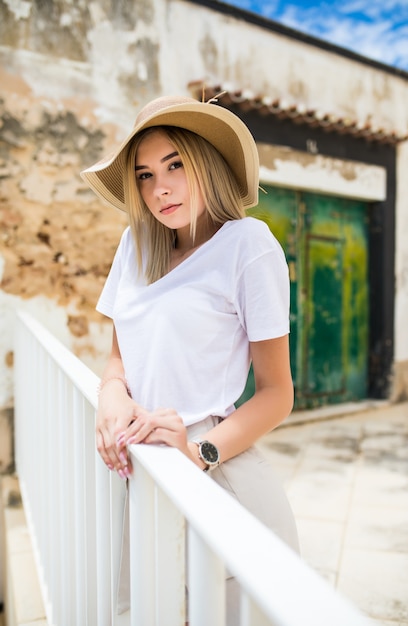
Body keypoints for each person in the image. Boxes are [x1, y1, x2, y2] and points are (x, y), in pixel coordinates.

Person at [81, 94, 299, 622]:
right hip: (140, 466)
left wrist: (198, 453)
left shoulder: (249, 244)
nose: (161, 189)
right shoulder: (135, 246)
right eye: (145, 175)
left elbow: (276, 394)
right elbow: (119, 359)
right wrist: (112, 395)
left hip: (213, 464)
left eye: (175, 165)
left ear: (206, 162)